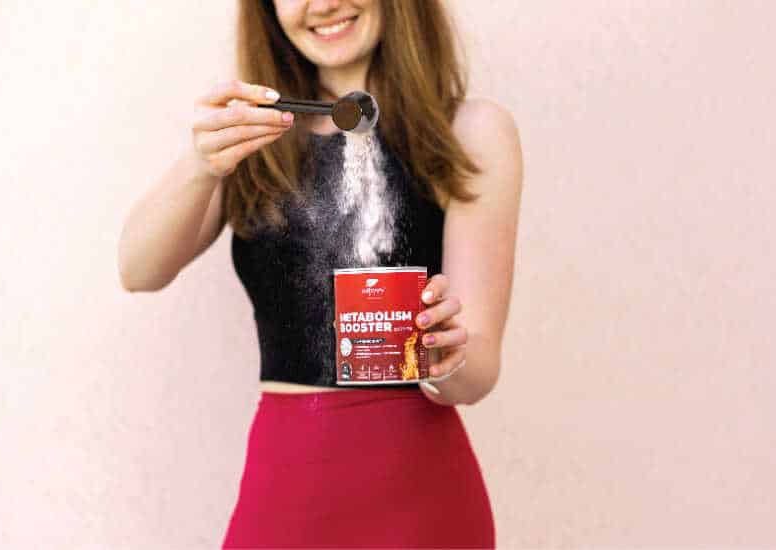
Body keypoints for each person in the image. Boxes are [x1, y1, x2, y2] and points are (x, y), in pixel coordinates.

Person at [118, 0, 522, 547]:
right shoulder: (253, 137)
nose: (324, 4)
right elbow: (138, 269)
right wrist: (200, 165)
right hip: (286, 489)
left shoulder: (469, 131)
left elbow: (478, 373)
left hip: (421, 502)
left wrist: (446, 359)